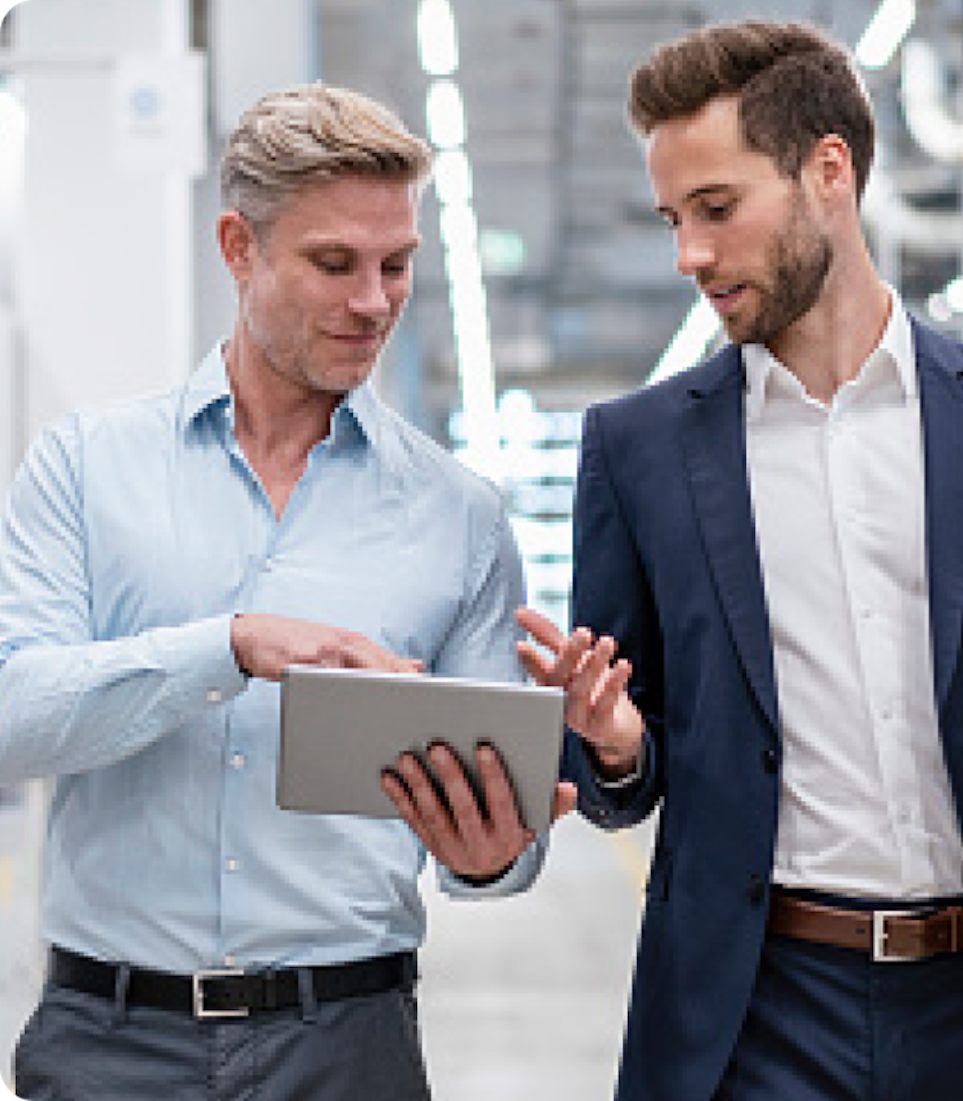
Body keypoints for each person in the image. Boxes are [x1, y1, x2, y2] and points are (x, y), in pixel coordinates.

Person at [517, 19, 963, 1101]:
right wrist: (621, 746)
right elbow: (618, 773)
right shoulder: (637, 452)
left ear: (829, 171)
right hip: (756, 1010)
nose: (690, 255)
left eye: (717, 210)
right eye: (674, 219)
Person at [0, 82, 572, 1101]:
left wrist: (488, 853)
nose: (374, 301)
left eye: (396, 266)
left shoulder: (460, 516)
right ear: (239, 247)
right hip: (107, 1045)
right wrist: (229, 645)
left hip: (347, 1043)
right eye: (333, 264)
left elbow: (502, 855)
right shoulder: (85, 468)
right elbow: (13, 717)